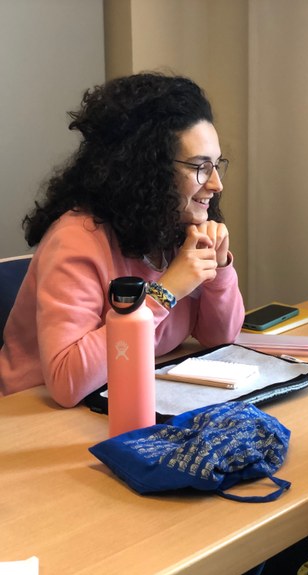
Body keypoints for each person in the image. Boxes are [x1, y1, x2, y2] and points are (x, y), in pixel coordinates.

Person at [0, 72, 245, 408]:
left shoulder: (174, 228)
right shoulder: (76, 239)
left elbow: (220, 338)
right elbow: (67, 382)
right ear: (147, 169)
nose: (216, 184)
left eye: (217, 165)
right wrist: (166, 292)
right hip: (33, 417)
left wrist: (218, 272)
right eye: (201, 166)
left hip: (124, 399)